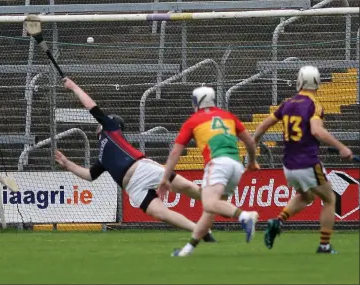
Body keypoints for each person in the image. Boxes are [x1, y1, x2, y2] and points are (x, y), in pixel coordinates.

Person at [55, 77, 216, 242]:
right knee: (160, 213)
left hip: (142, 169)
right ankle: (200, 230)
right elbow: (90, 175)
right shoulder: (102, 156)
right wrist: (68, 164)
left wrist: (74, 87)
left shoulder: (110, 129)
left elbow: (90, 106)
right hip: (133, 188)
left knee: (186, 187)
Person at [253, 65, 353, 254]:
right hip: (307, 162)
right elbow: (316, 130)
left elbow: (261, 127)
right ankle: (324, 246)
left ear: (299, 81)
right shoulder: (314, 104)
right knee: (329, 199)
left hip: (288, 165)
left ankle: (278, 221)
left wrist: (253, 152)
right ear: (317, 83)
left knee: (307, 196)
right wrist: (342, 147)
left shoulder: (287, 104)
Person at [158, 86, 259, 257]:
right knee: (211, 210)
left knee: (209, 204)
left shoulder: (193, 120)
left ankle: (245, 216)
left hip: (217, 163)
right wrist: (252, 161)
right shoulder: (228, 116)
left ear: (196, 101)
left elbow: (175, 152)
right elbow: (250, 142)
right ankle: (186, 251)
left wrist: (165, 178)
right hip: (235, 165)